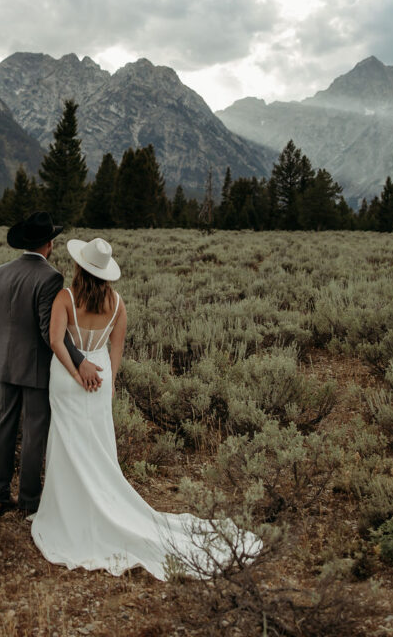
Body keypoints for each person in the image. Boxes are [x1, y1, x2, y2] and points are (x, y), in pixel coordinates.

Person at [30, 236, 262, 579]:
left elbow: (54, 340)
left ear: (79, 267)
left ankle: (68, 512)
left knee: (67, 442)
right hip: (100, 377)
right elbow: (116, 350)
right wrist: (109, 383)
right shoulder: (118, 303)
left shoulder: (66, 297)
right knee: (97, 446)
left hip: (67, 378)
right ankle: (99, 503)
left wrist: (75, 369)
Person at [0, 212, 103, 517]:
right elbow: (51, 331)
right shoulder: (50, 278)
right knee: (35, 432)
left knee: (4, 426)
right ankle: (28, 501)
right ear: (48, 244)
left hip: (5, 364)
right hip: (36, 368)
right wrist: (80, 361)